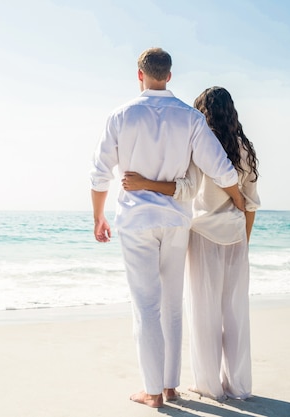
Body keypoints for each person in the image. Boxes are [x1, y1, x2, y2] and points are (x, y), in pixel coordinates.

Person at [89, 47, 245, 409]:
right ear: (169, 75)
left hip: (137, 221)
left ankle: (153, 391)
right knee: (173, 305)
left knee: (146, 307)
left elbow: (100, 172)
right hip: (176, 221)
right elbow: (220, 168)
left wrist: (98, 216)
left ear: (139, 74)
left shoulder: (121, 115)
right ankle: (171, 385)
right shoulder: (190, 117)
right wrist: (238, 199)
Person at [122, 87, 260, 401]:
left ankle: (209, 384)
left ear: (203, 113)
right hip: (236, 236)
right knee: (236, 312)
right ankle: (239, 386)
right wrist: (244, 242)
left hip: (202, 235)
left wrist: (143, 183)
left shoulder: (199, 145)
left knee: (204, 313)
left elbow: (185, 190)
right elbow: (250, 204)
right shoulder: (245, 149)